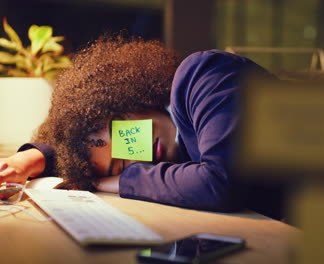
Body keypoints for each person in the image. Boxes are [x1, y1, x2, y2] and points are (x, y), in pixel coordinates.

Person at [0, 36, 284, 218]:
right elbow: (90, 150)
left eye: (126, 135)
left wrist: (115, 181)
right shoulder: (169, 147)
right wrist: (29, 159)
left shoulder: (204, 76)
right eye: (122, 165)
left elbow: (219, 184)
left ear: (126, 98)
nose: (140, 154)